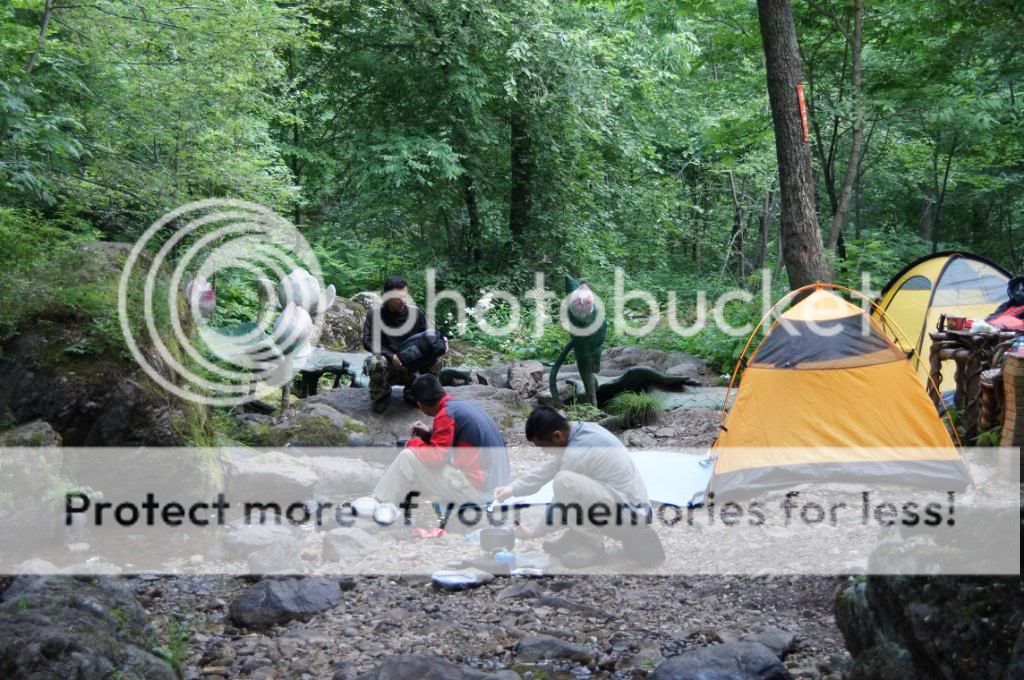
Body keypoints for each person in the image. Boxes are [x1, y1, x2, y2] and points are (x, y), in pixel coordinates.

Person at [493, 407, 665, 569]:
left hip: (629, 517)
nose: (544, 452)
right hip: (631, 506)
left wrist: (534, 532)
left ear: (557, 435)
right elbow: (550, 467)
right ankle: (575, 537)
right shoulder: (580, 430)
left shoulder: (578, 454)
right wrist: (512, 488)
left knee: (564, 483)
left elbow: (560, 502)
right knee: (572, 486)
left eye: (543, 446)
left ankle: (591, 547)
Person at [372, 375, 511, 513]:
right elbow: (452, 442)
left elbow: (435, 459)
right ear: (442, 390)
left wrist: (412, 443)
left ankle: (380, 502)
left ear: (420, 405)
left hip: (482, 495)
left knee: (407, 456)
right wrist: (429, 434)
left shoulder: (446, 415)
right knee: (423, 458)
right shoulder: (462, 407)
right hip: (499, 489)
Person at [362, 276, 445, 413]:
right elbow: (367, 341)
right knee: (375, 361)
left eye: (405, 296)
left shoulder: (415, 313)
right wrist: (391, 356)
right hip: (389, 366)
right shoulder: (375, 314)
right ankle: (381, 395)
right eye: (398, 298)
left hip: (414, 366)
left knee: (436, 358)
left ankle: (415, 392)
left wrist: (444, 342)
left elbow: (434, 333)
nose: (403, 301)